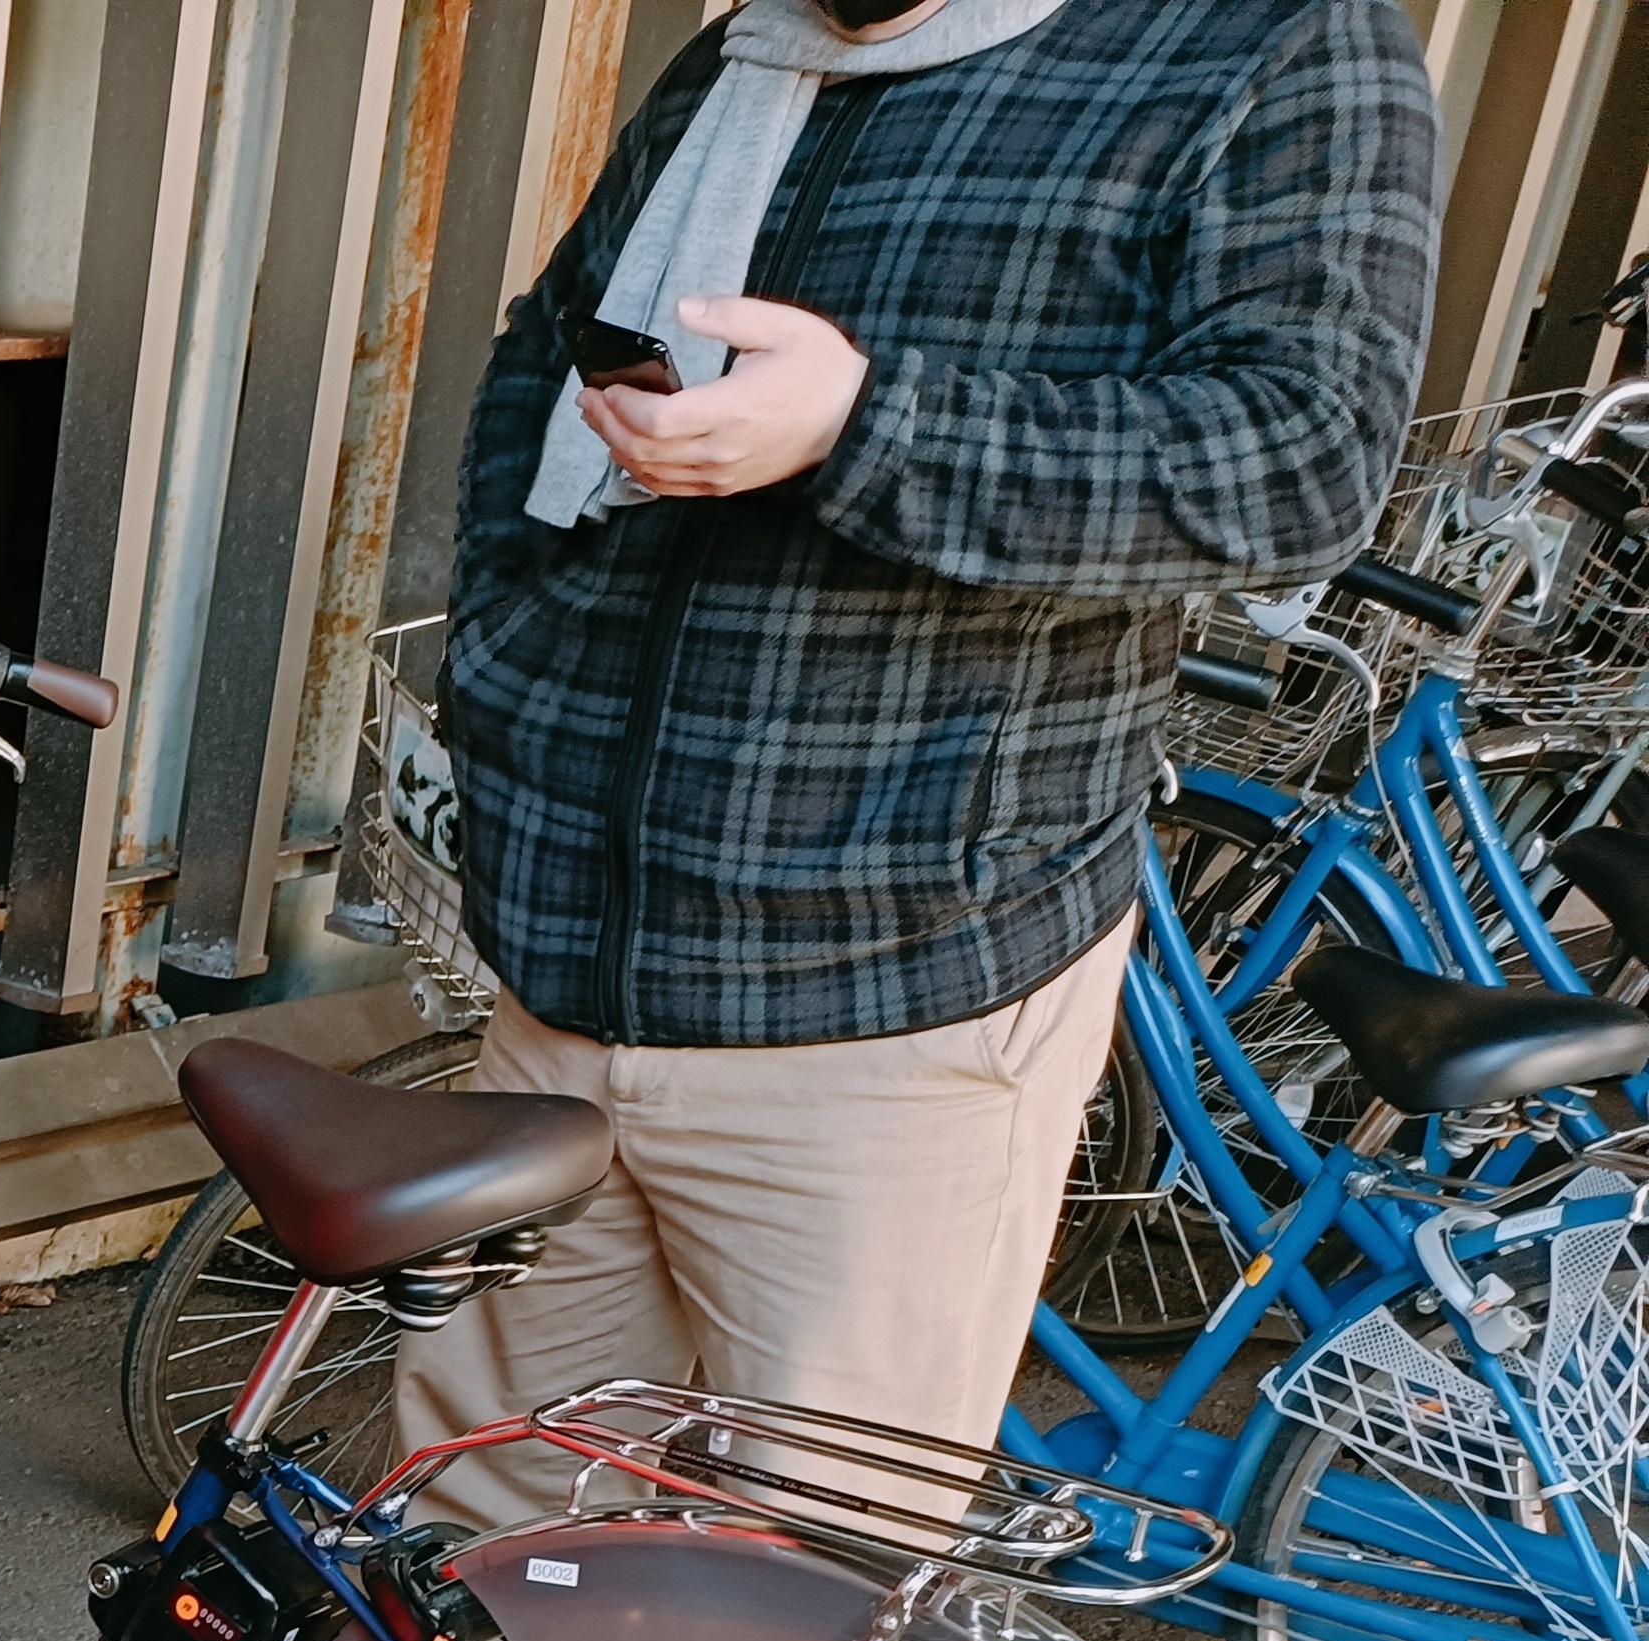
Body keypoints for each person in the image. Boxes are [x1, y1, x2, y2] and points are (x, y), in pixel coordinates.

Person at [414, 0, 1441, 1538]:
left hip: (897, 998)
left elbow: (1302, 461)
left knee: (812, 1615)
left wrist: (864, 422)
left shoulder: (1270, 40)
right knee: (475, 1539)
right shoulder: (749, 47)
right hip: (566, 961)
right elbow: (544, 356)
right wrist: (501, 654)